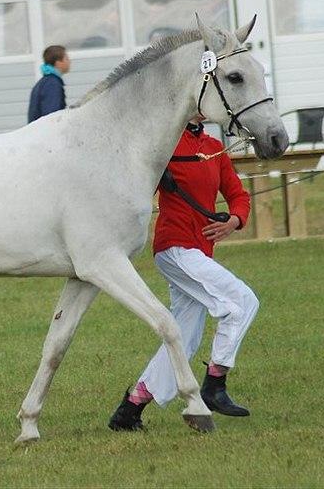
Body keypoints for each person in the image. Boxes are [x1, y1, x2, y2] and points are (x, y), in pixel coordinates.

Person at [108, 118, 257, 431]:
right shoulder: (166, 145)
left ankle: (131, 407)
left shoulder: (215, 149)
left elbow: (238, 195)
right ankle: (215, 383)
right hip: (175, 248)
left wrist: (234, 220)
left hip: (200, 252)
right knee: (241, 301)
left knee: (184, 338)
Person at [27, 45, 71, 123]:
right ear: (58, 63)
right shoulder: (52, 84)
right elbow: (51, 116)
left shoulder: (45, 82)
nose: (69, 61)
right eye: (66, 59)